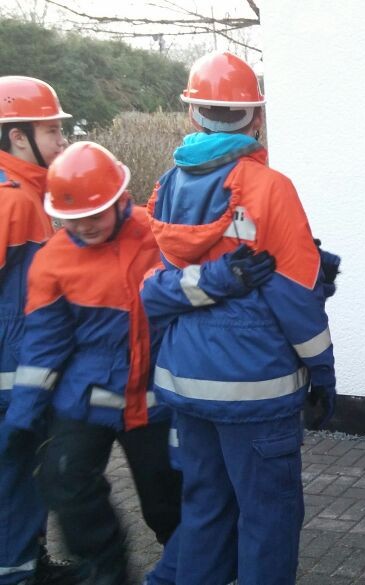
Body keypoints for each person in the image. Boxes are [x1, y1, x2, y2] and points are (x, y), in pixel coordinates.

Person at [139, 51, 336, 584]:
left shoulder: (167, 188)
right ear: (256, 117)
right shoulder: (270, 188)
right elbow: (296, 298)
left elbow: (158, 289)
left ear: (191, 116)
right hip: (257, 388)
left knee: (205, 509)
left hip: (188, 384)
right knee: (268, 517)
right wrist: (323, 374)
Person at [4, 142, 181, 585]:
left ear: (121, 199)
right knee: (64, 480)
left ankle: (190, 567)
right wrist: (23, 415)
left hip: (154, 403)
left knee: (167, 500)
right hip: (85, 401)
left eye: (94, 215)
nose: (84, 227)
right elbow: (44, 345)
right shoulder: (51, 261)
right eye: (72, 219)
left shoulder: (158, 235)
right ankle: (106, 570)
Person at [0, 75, 82, 585]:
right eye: (53, 131)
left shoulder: (32, 193)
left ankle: (27, 561)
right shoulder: (11, 201)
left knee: (23, 474)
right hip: (10, 372)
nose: (63, 142)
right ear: (17, 137)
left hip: (22, 366)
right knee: (14, 475)